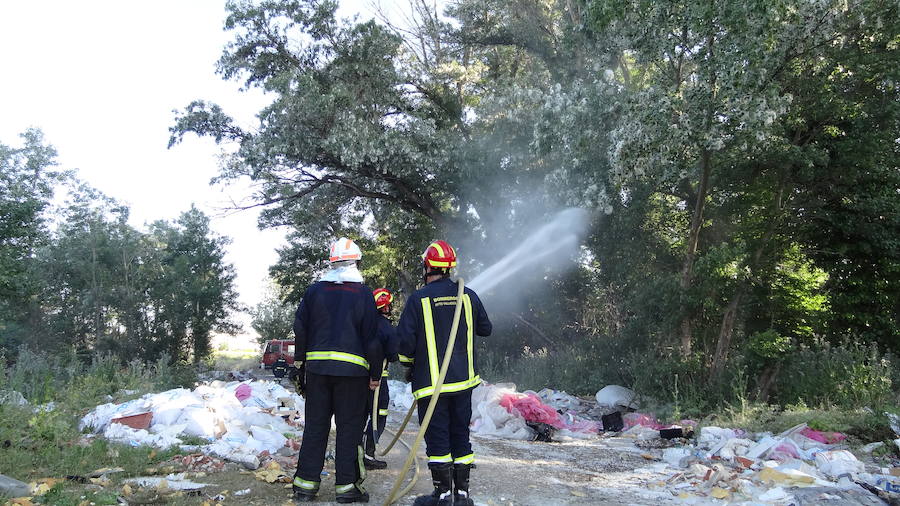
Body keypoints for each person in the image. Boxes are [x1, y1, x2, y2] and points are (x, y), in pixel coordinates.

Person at [397, 240, 492, 506]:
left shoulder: (418, 299)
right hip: (463, 382)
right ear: (450, 267)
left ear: (427, 266)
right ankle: (462, 495)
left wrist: (410, 365)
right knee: (460, 434)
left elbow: (404, 345)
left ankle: (442, 495)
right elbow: (486, 329)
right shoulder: (468, 295)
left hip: (431, 384)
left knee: (437, 436)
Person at [291, 237, 384, 503]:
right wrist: (375, 374)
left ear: (331, 262)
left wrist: (300, 366)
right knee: (349, 430)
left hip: (318, 372)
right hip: (353, 376)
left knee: (316, 428)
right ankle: (346, 489)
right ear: (355, 261)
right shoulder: (363, 294)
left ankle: (305, 488)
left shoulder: (314, 292)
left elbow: (301, 329)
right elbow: (372, 339)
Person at [362, 288, 399, 470]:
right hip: (377, 381)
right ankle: (368, 455)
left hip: (357, 378)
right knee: (378, 416)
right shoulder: (385, 327)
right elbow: (393, 355)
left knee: (360, 416)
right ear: (384, 307)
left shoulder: (362, 324)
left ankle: (356, 452)